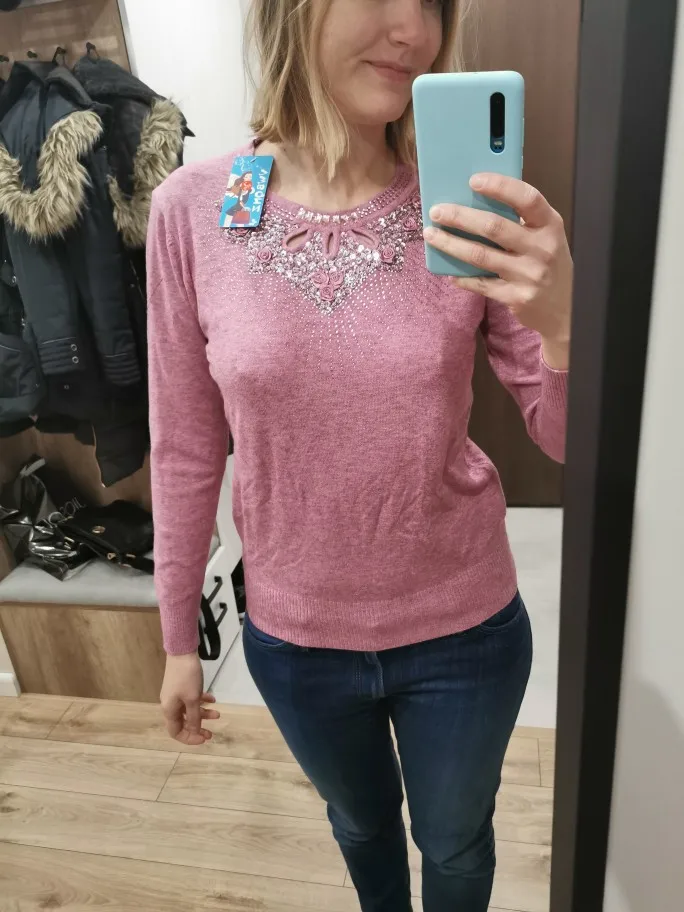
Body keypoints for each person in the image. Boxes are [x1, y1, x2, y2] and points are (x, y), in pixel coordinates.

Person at [147, 1, 572, 910]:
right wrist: (179, 637)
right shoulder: (192, 211)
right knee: (361, 826)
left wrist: (565, 326)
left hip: (465, 630)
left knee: (456, 843)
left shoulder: (467, 209)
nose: (413, 30)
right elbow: (183, 446)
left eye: (432, 3)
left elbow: (564, 437)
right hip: (295, 639)